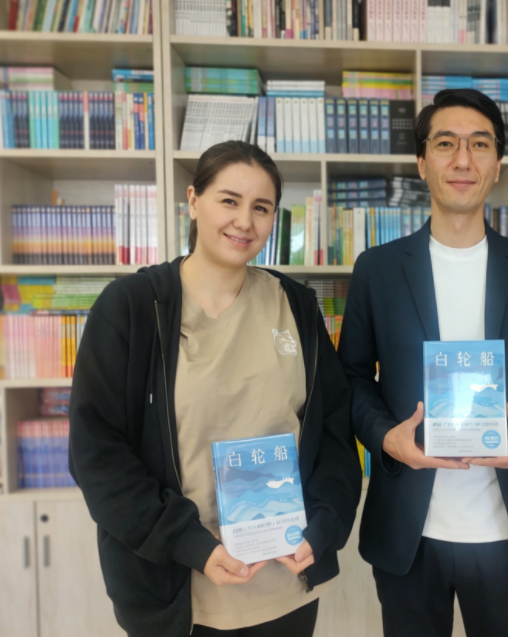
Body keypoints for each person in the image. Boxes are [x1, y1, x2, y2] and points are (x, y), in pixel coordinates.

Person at [69, 140, 361, 637]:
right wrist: (191, 545)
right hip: (178, 589)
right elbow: (97, 455)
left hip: (283, 585)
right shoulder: (132, 308)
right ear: (193, 200)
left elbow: (334, 434)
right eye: (229, 200)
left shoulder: (296, 306)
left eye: (261, 207)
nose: (244, 221)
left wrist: (325, 524)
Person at [337, 88, 508, 637]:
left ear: (498, 164)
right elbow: (351, 377)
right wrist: (385, 438)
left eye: (479, 144)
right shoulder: (377, 269)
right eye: (446, 143)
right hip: (409, 530)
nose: (463, 159)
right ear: (422, 162)